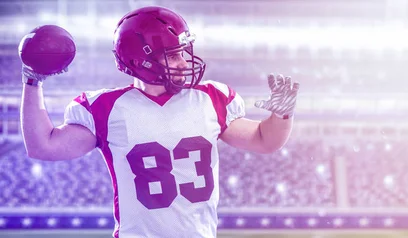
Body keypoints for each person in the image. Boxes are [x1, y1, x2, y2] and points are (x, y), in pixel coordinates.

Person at [19, 6, 298, 238]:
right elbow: (43, 146)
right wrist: (33, 80)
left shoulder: (210, 98)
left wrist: (282, 113)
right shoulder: (106, 108)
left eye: (183, 52)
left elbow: (265, 140)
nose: (183, 62)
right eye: (173, 55)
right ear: (143, 61)